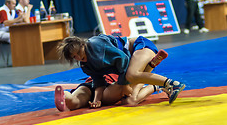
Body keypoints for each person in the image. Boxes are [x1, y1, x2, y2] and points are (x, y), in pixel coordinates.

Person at [57, 34, 185, 108]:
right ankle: (151, 70)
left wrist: (123, 85)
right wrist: (96, 100)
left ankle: (171, 83)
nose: (79, 58)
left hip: (138, 47)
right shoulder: (85, 64)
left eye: (79, 53)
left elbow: (124, 59)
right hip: (131, 59)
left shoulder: (96, 44)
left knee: (131, 75)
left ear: (83, 45)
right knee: (130, 101)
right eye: (74, 57)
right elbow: (98, 81)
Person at [54, 74, 159, 111]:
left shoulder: (97, 64)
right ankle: (155, 87)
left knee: (75, 102)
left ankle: (65, 95)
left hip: (89, 84)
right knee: (131, 98)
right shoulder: (126, 69)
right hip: (107, 88)